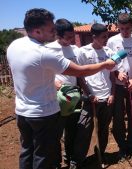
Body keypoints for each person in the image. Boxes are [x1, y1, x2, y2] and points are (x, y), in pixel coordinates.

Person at [6, 8, 116, 169]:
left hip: (22, 111)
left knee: (27, 151)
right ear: (37, 30)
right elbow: (81, 71)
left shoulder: (15, 45)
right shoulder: (44, 53)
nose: (54, 32)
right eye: (51, 30)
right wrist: (105, 64)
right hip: (42, 113)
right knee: (43, 155)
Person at [75, 23, 116, 168]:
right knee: (84, 130)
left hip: (106, 98)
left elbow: (112, 75)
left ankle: (101, 154)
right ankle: (77, 160)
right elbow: (80, 76)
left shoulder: (109, 52)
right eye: (103, 36)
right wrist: (89, 94)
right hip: (91, 99)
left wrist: (112, 94)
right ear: (94, 37)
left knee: (103, 130)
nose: (106, 39)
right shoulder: (83, 52)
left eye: (107, 36)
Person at [46, 18, 84, 168]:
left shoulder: (75, 50)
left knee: (72, 130)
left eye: (72, 36)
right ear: (58, 35)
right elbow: (43, 73)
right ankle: (56, 163)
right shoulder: (49, 50)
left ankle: (69, 158)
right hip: (57, 98)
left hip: (73, 96)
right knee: (56, 132)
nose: (71, 40)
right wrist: (54, 82)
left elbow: (80, 73)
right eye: (68, 37)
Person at [107, 13, 132, 161]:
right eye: (122, 28)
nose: (125, 31)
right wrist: (117, 74)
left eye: (127, 28)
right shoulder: (111, 41)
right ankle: (122, 147)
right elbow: (109, 63)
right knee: (118, 118)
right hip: (116, 86)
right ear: (118, 27)